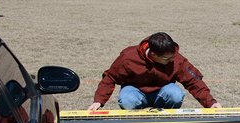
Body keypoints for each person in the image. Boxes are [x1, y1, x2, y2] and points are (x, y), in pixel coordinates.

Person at [88, 32, 222, 111]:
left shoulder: (176, 59)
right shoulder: (128, 57)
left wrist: (211, 103)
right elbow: (110, 78)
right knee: (127, 99)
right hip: (135, 90)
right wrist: (98, 101)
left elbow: (194, 81)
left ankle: (167, 121)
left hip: (162, 91)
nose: (171, 60)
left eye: (172, 56)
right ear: (153, 54)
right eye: (166, 58)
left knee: (175, 94)